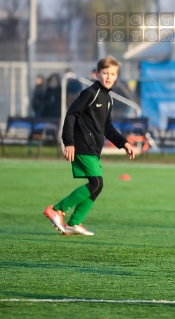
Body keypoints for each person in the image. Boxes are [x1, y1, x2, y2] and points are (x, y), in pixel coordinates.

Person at [42, 56, 136, 236]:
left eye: (112, 74)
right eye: (105, 73)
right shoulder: (90, 93)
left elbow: (107, 128)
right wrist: (69, 142)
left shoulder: (108, 98)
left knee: (97, 185)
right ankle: (57, 209)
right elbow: (71, 115)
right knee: (96, 182)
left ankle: (74, 223)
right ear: (97, 73)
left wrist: (124, 143)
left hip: (93, 148)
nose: (108, 77)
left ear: (117, 76)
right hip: (81, 145)